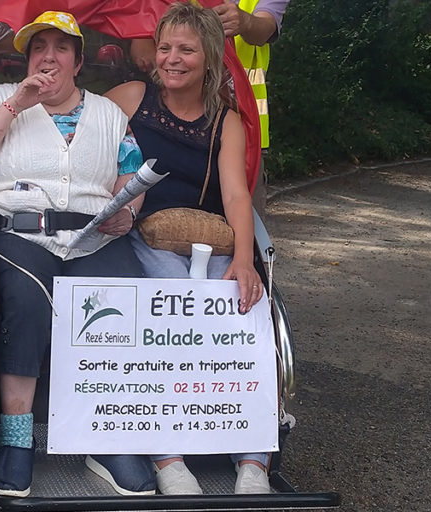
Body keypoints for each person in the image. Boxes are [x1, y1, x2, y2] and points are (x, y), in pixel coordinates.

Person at [0, 11, 155, 498]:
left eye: (61, 48)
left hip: (94, 236)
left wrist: (127, 211)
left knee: (124, 301)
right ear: (26, 59)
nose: (48, 57)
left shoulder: (108, 114)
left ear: (78, 61)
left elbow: (131, 175)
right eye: (38, 47)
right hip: (19, 234)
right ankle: (17, 441)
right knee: (26, 300)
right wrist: (15, 105)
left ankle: (105, 437)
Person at [106, 2, 269, 495]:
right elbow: (77, 123)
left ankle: (254, 460)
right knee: (171, 298)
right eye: (165, 47)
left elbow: (238, 196)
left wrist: (244, 261)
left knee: (239, 302)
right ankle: (167, 456)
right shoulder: (132, 98)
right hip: (140, 231)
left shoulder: (227, 122)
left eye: (186, 49)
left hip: (206, 234)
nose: (172, 58)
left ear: (210, 58)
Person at [130, 0, 290, 215]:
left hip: (244, 125)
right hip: (170, 121)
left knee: (241, 219)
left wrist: (245, 22)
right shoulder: (133, 97)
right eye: (165, 48)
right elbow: (140, 41)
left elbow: (264, 29)